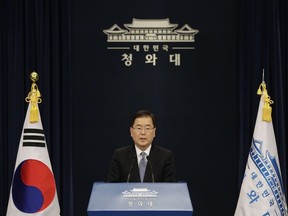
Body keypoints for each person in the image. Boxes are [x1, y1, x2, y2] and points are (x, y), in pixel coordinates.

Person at [106, 109, 176, 182]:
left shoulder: (165, 156)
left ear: (154, 132)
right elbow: (112, 187)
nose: (143, 132)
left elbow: (169, 188)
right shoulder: (120, 155)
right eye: (139, 128)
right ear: (131, 131)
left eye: (147, 128)